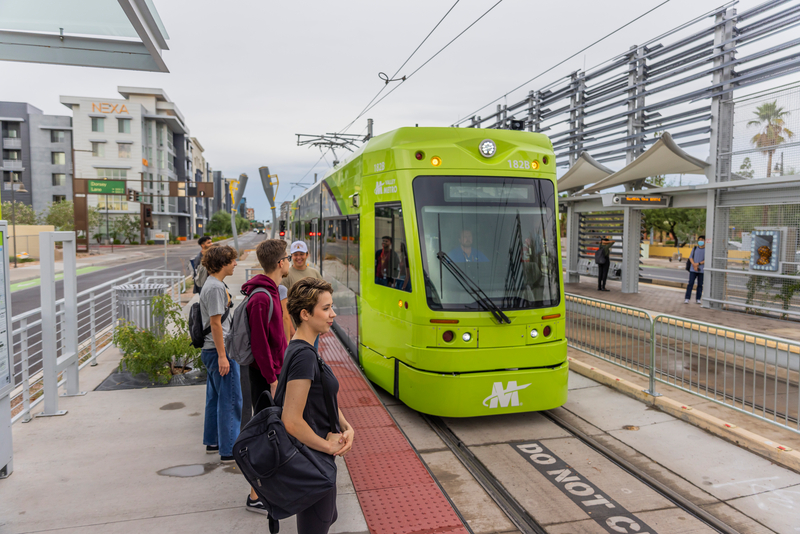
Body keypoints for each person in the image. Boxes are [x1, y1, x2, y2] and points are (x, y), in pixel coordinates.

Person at [278, 278, 355, 534]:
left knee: (328, 515)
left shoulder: (304, 348)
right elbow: (291, 419)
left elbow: (322, 396)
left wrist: (346, 426)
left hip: (316, 458)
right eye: (326, 308)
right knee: (318, 523)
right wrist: (328, 446)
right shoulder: (304, 357)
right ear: (305, 314)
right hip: (312, 460)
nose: (333, 314)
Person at [240, 239, 291, 514]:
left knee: (273, 433)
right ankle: (255, 495)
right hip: (264, 378)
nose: (288, 262)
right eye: (287, 258)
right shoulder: (261, 297)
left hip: (273, 374)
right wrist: (272, 378)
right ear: (280, 263)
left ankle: (266, 489)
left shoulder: (269, 292)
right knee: (264, 435)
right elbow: (260, 345)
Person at [199, 245, 241, 463]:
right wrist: (223, 355)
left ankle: (213, 441)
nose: (235, 264)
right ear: (223, 262)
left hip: (211, 351)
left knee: (214, 398)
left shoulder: (213, 283)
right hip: (218, 351)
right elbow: (216, 324)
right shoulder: (215, 288)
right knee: (230, 400)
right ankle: (229, 449)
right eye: (232, 260)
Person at [282, 240, 324, 349]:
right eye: (295, 255)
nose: (299, 257)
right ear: (291, 256)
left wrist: (323, 322)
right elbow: (284, 306)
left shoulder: (315, 273)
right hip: (297, 328)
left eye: (301, 254)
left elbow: (323, 299)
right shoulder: (286, 276)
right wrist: (290, 328)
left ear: (307, 255)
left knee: (313, 355)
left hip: (313, 326)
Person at [685, 235, 706, 304]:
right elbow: (690, 257)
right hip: (692, 269)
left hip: (701, 270)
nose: (700, 241)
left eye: (702, 240)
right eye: (699, 240)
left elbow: (706, 260)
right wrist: (694, 264)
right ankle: (687, 298)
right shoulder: (694, 248)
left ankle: (698, 299)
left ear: (705, 241)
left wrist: (698, 264)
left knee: (700, 285)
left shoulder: (706, 250)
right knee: (690, 283)